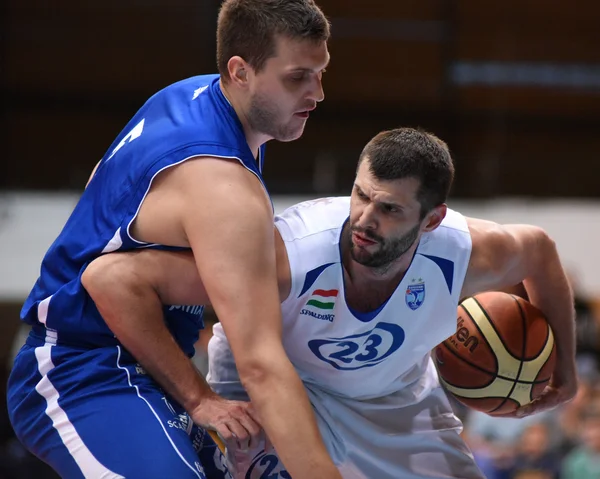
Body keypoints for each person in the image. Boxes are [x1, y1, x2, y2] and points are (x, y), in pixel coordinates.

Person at [81, 127, 578, 478]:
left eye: (389, 209)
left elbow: (542, 252)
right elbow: (112, 278)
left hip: (392, 399)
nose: (364, 219)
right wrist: (200, 400)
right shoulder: (288, 256)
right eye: (361, 195)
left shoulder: (465, 253)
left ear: (431, 220)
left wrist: (567, 370)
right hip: (281, 388)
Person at [6, 1, 338, 478]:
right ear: (240, 71)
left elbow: (102, 194)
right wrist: (198, 396)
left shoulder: (191, 95)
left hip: (147, 365)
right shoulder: (224, 187)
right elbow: (260, 363)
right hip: (80, 369)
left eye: (321, 72)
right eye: (297, 77)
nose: (318, 93)